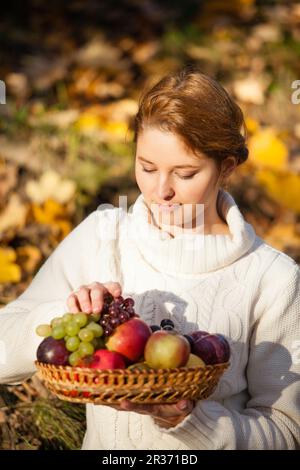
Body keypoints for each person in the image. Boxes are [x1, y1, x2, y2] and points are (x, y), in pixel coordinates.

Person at [0, 66, 299, 450]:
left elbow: (287, 433)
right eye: (147, 167)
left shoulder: (273, 279)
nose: (161, 191)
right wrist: (67, 317)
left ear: (226, 168)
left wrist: (193, 421)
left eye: (185, 173)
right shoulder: (104, 236)